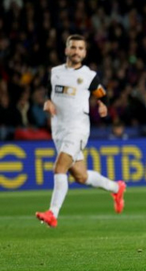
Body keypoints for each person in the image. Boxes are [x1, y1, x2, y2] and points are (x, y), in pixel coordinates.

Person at [35, 35, 126, 228]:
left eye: (80, 49)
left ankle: (53, 213)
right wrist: (47, 101)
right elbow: (47, 91)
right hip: (58, 130)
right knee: (81, 177)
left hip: (77, 130)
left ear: (84, 53)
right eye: (73, 48)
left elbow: (103, 94)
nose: (77, 51)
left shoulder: (89, 76)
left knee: (59, 168)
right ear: (66, 50)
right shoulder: (55, 72)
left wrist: (103, 105)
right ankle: (116, 188)